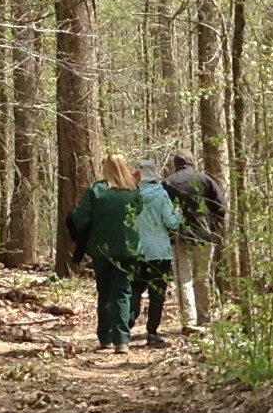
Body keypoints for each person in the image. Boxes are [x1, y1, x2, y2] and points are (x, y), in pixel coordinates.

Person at [64, 152, 172, 354]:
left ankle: (105, 338)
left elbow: (80, 217)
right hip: (127, 248)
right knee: (122, 291)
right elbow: (138, 209)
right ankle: (122, 340)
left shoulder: (96, 190)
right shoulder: (132, 192)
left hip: (102, 249)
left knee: (104, 291)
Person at [161, 151, 226, 333]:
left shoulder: (168, 183)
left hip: (179, 238)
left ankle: (189, 320)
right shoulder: (205, 180)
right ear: (192, 162)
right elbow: (221, 206)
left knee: (184, 278)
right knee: (202, 277)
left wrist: (168, 230)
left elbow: (161, 211)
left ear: (175, 164)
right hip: (203, 236)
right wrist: (213, 227)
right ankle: (204, 318)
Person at [130, 161, 180, 347]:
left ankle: (128, 320)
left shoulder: (131, 195)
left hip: (137, 249)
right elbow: (171, 222)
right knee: (157, 292)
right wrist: (178, 214)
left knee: (135, 288)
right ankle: (152, 332)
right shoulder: (161, 194)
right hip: (160, 251)